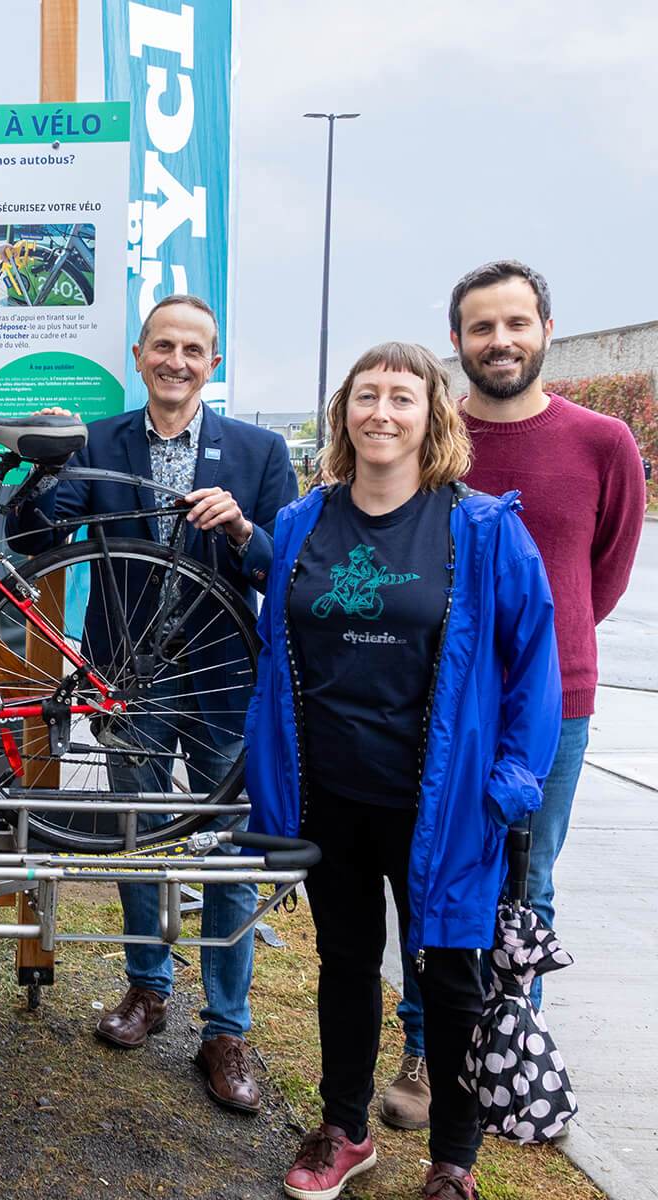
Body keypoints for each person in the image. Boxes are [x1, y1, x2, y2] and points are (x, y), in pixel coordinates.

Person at [245, 342, 561, 1200]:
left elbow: (535, 661)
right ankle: (344, 1130)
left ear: (433, 416)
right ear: (343, 412)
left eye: (401, 397)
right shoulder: (302, 522)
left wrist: (513, 780)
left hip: (445, 803)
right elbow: (277, 655)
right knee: (346, 961)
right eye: (366, 395)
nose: (380, 411)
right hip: (330, 791)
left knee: (451, 975)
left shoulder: (482, 528)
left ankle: (454, 1159)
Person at [14, 294, 297, 1114]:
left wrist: (241, 530)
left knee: (226, 846)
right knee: (138, 832)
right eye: (163, 346)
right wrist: (44, 466)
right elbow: (36, 539)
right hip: (130, 676)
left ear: (214, 363)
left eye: (193, 350)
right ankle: (147, 986)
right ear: (138, 356)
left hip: (222, 676)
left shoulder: (259, 451)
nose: (177, 361)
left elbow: (285, 569)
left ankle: (226, 1027)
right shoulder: (99, 441)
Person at [379, 261, 646, 1131]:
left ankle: (506, 1060)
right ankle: (427, 1052)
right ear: (457, 340)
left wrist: (537, 657)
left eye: (517, 324)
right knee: (434, 877)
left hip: (553, 704)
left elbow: (602, 575)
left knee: (529, 880)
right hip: (433, 702)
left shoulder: (603, 442)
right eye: (482, 327)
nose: (501, 341)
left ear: (545, 330)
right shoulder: (427, 433)